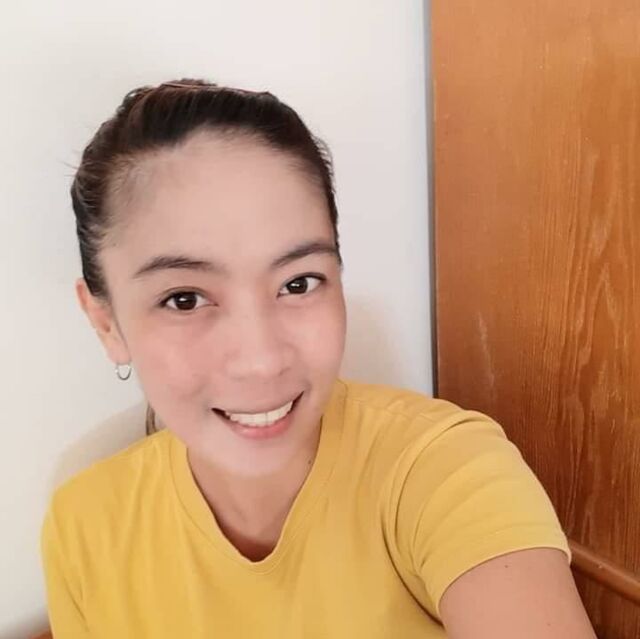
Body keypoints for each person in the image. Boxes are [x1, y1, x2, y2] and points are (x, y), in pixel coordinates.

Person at [40, 79, 596, 638]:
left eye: (298, 283)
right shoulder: (84, 524)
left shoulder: (442, 469)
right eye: (184, 299)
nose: (262, 361)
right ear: (106, 322)